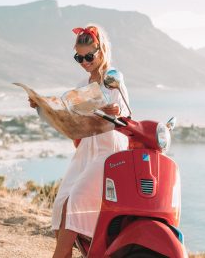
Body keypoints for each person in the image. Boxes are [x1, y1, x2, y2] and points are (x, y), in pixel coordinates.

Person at [29, 24, 130, 258]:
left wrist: (116, 111)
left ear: (101, 50)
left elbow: (126, 115)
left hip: (108, 152)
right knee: (61, 203)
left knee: (75, 201)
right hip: (86, 149)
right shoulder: (81, 86)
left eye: (89, 56)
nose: (84, 62)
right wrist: (42, 106)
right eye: (78, 57)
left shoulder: (113, 78)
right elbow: (70, 116)